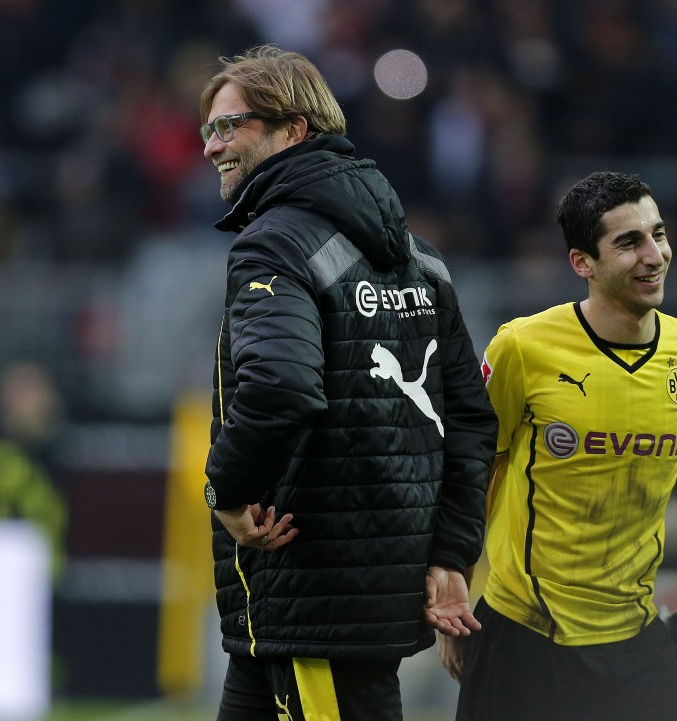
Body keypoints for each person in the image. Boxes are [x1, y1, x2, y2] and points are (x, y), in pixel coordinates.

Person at [197, 45, 498, 721]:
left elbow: (279, 385)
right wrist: (450, 550)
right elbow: (471, 419)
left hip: (313, 596)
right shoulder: (423, 259)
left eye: (229, 126)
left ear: (293, 130)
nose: (212, 147)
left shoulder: (273, 243)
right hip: (340, 602)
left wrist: (226, 488)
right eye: (207, 130)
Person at [443, 171, 677, 721]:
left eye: (657, 234)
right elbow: (473, 464)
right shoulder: (524, 347)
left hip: (635, 634)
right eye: (628, 242)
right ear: (581, 263)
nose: (654, 255)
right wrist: (452, 579)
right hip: (527, 634)